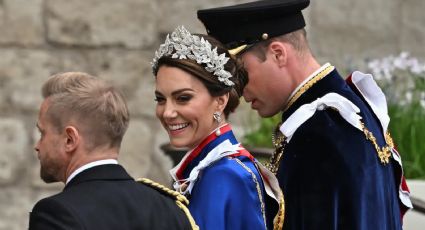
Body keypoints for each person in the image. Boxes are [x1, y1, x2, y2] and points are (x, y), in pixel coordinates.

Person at [197, 0, 413, 229]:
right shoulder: (351, 110)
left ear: (278, 54)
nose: (236, 91)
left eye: (241, 74)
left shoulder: (319, 134)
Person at [151, 25, 284, 230]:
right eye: (160, 99)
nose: (167, 112)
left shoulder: (225, 174)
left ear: (220, 101)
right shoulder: (212, 169)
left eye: (183, 98)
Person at [29, 72, 197, 230]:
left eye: (42, 133)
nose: (38, 145)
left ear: (70, 140)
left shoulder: (58, 213)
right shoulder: (169, 209)